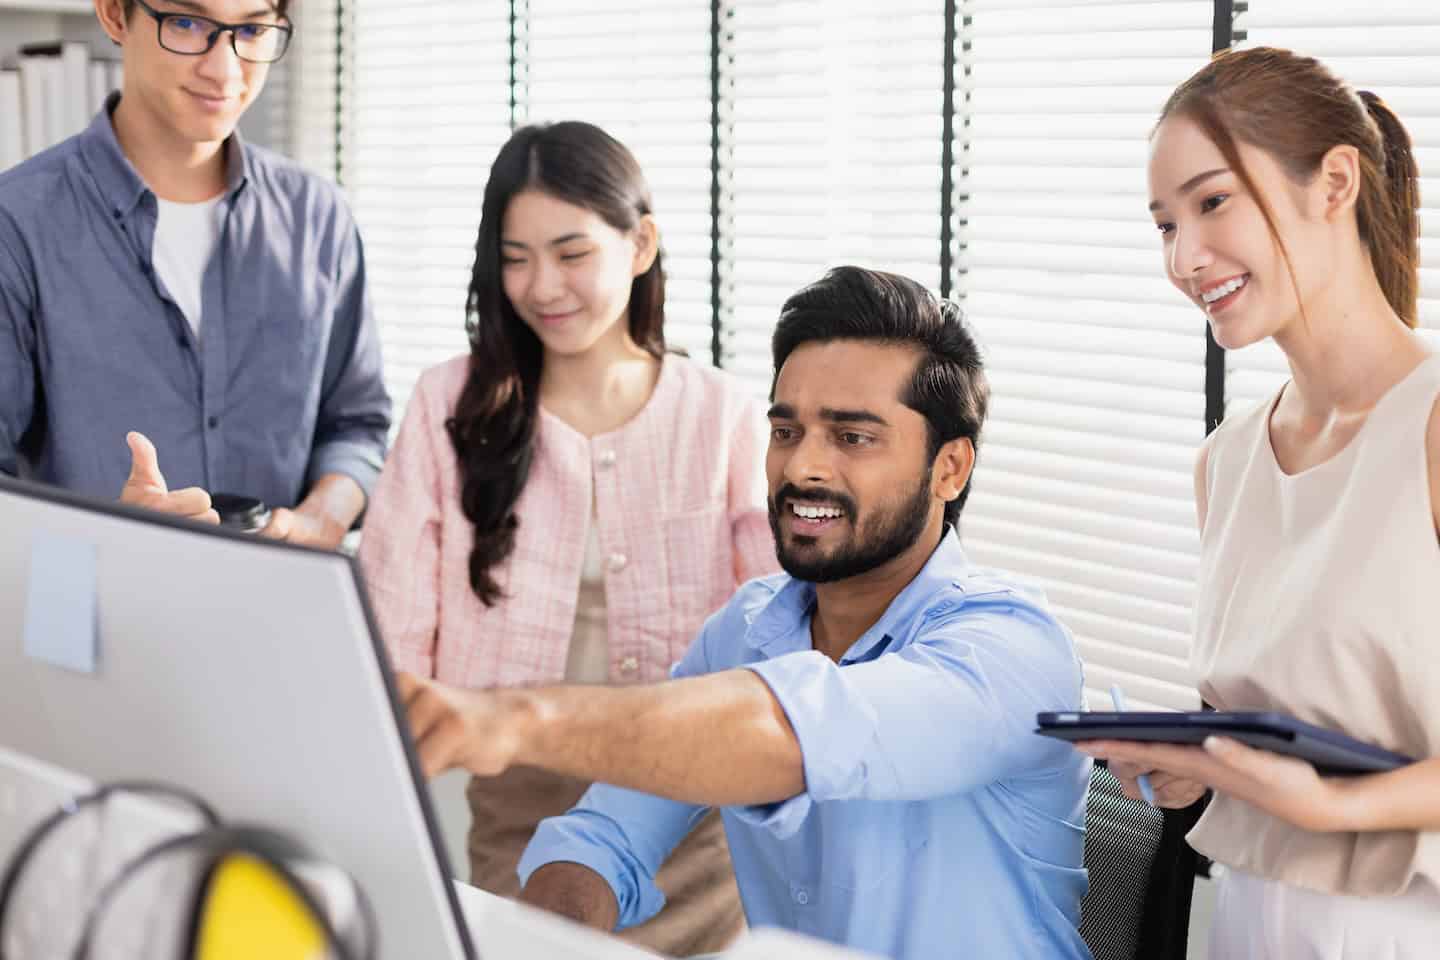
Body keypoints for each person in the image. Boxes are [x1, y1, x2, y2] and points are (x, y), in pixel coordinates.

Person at [393, 265, 1093, 960]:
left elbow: (792, 734)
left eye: (852, 437)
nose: (802, 468)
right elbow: (604, 835)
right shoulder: (748, 628)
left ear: (950, 468)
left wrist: (513, 720)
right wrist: (550, 942)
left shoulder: (1010, 650)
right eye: (787, 431)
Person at [357, 121, 776, 956]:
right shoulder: (449, 404)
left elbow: (780, 635)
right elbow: (388, 623)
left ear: (640, 244)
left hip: (688, 817)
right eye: (515, 258)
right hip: (518, 821)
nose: (542, 285)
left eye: (571, 252)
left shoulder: (722, 414)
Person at [1078, 46, 1440, 955]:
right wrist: (1202, 770)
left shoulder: (1431, 427)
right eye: (1165, 224)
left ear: (1335, 183)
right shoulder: (1227, 461)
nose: (1185, 257)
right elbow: (1285, 722)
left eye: (1212, 203)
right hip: (1246, 922)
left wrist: (1333, 806)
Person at [0, 0, 390, 547]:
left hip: (278, 595)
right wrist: (104, 539)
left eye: (252, 30)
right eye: (187, 23)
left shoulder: (318, 217)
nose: (224, 70)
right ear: (114, 14)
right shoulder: (16, 224)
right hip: (94, 599)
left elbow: (356, 428)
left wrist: (322, 517)